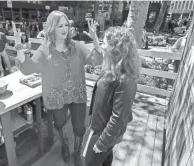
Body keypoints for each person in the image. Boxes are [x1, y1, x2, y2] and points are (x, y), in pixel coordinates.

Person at [13, 10, 103, 165]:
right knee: (60, 124)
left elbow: (96, 60)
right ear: (51, 28)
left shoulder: (77, 47)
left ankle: (77, 150)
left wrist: (95, 39)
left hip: (77, 95)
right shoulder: (45, 50)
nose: (64, 28)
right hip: (56, 97)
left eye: (66, 25)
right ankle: (65, 146)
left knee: (79, 127)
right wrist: (19, 48)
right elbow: (28, 68)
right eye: (59, 25)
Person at [81, 26, 139, 166]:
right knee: (105, 160)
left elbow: (118, 118)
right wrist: (95, 39)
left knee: (87, 161)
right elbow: (100, 52)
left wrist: (102, 143)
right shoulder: (112, 66)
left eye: (105, 43)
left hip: (103, 132)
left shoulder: (126, 80)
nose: (102, 45)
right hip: (98, 125)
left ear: (115, 49)